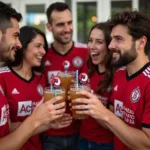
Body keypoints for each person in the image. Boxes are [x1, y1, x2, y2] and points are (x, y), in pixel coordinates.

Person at [72, 11, 150, 150]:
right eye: (111, 39)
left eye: (118, 39)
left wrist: (104, 114)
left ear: (141, 42)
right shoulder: (119, 74)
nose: (110, 45)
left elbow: (147, 144)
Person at [0, 2, 68, 150]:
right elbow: (8, 129)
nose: (43, 52)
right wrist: (36, 120)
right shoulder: (2, 77)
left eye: (44, 47)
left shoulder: (41, 78)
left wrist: (48, 124)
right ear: (23, 47)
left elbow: (9, 126)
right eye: (37, 46)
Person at [42, 2, 88, 150]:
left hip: (80, 133)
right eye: (61, 24)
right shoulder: (41, 54)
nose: (67, 29)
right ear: (49, 27)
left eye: (70, 23)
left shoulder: (86, 52)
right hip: (49, 134)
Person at [78, 22, 114, 150]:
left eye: (99, 42)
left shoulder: (117, 75)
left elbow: (112, 122)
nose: (91, 46)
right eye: (90, 40)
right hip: (82, 139)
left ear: (110, 45)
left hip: (106, 144)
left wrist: (89, 103)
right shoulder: (87, 69)